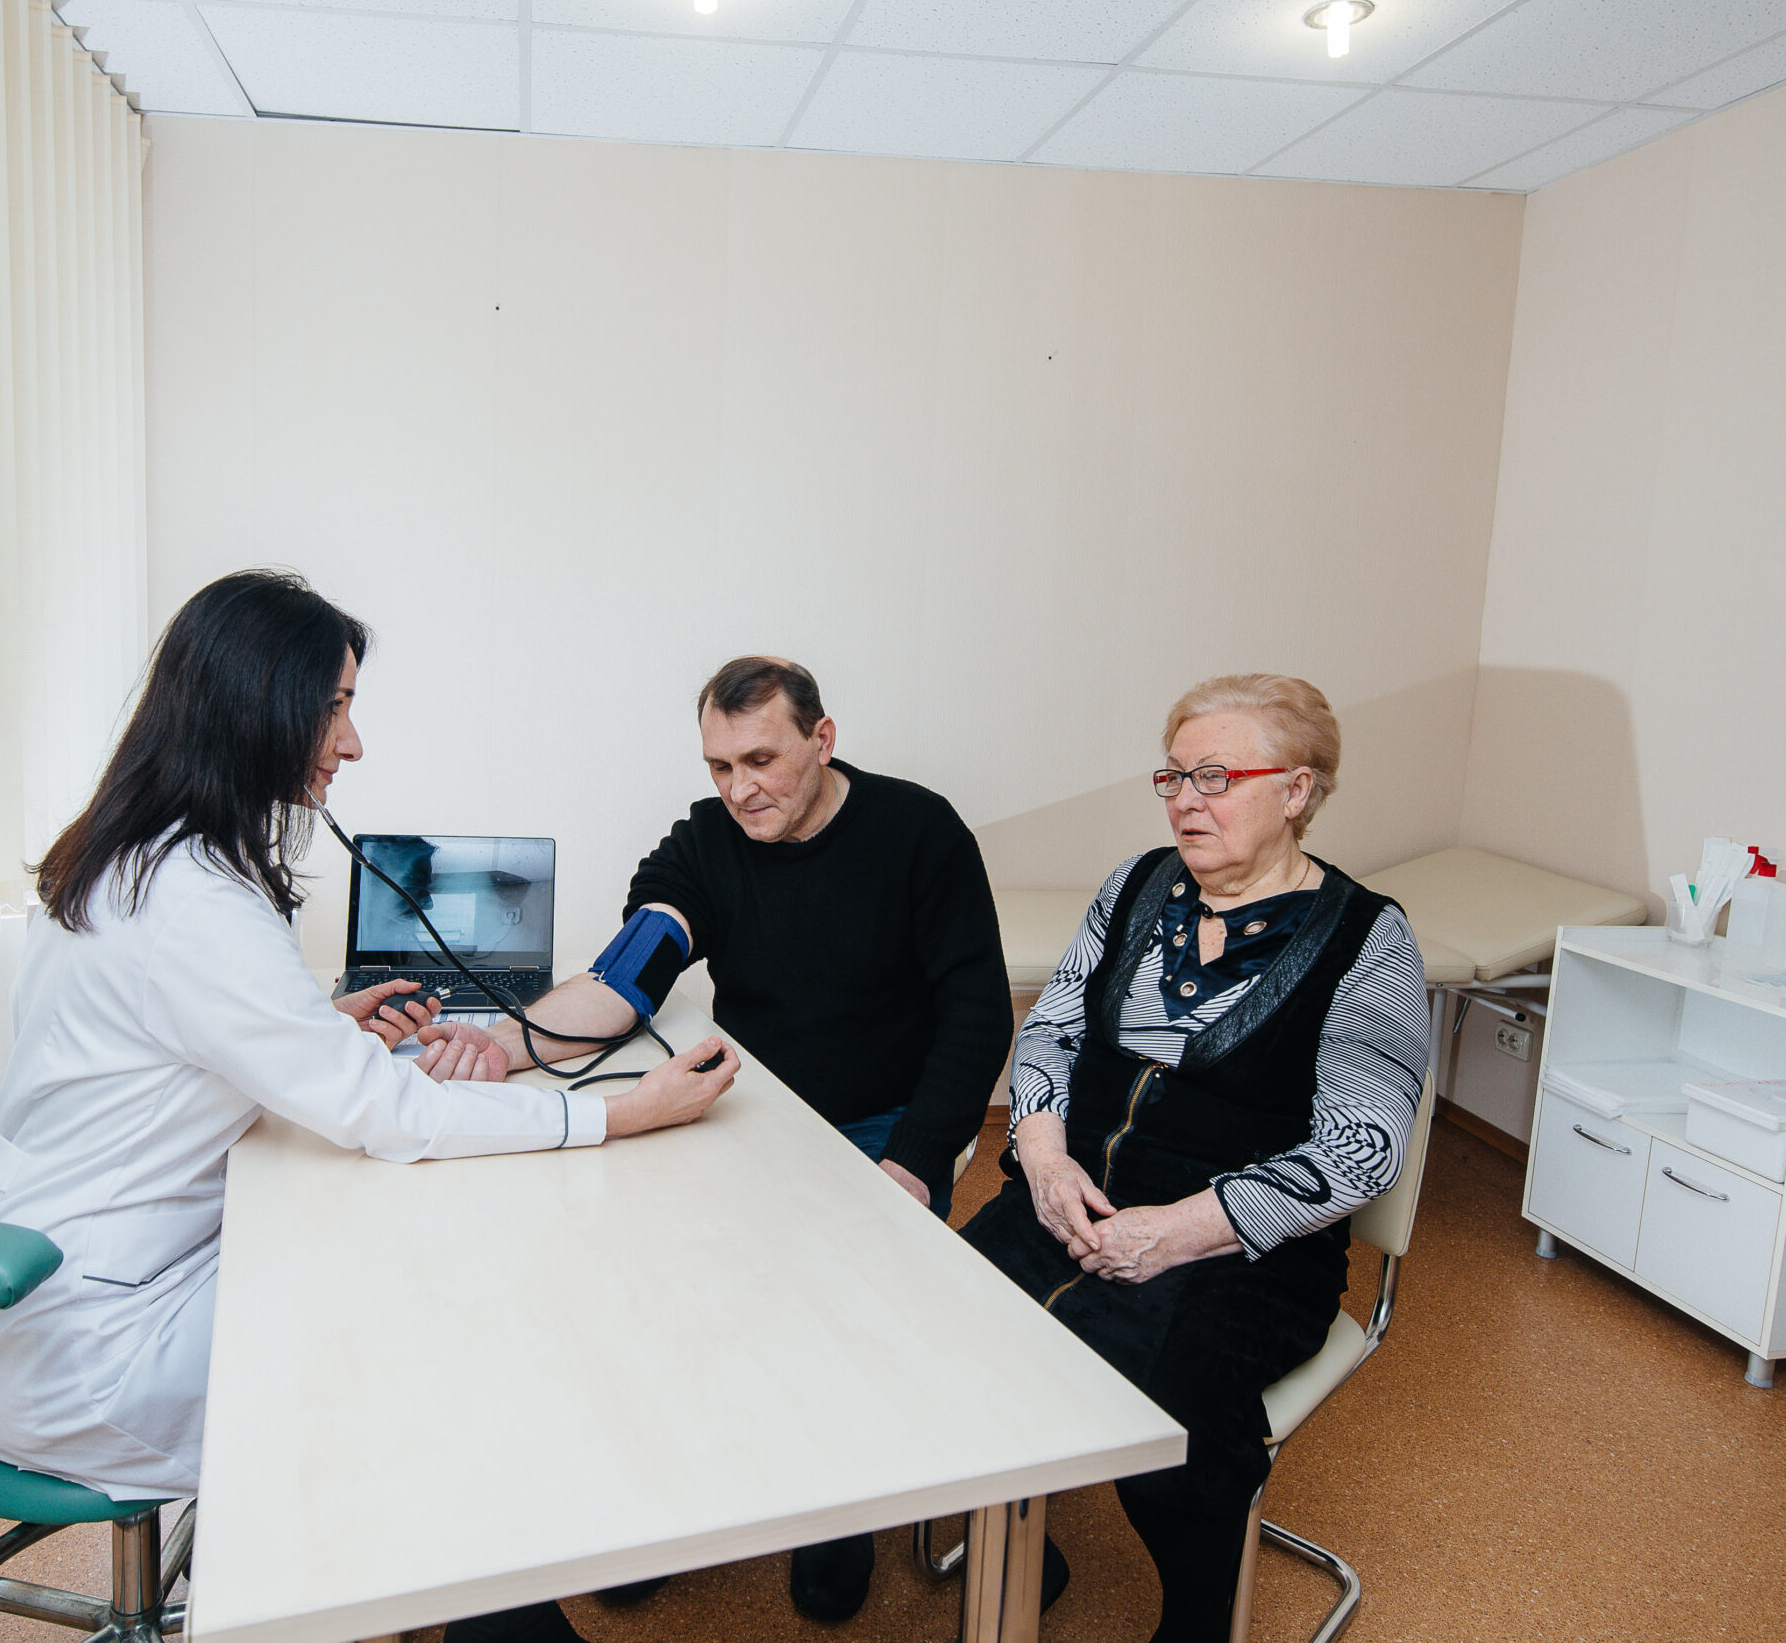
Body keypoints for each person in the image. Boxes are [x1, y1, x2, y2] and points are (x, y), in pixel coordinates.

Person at [0, 570, 738, 1505]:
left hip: (62, 1291)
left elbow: (157, 1048)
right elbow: (389, 1112)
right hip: (95, 1351)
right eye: (334, 708)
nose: (351, 743)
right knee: (422, 1350)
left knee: (382, 1255)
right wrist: (617, 1115)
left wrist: (306, 1027)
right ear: (257, 707)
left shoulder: (132, 853)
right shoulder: (198, 903)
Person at [476, 655, 1014, 1629]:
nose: (738, 788)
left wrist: (918, 1160)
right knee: (655, 1282)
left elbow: (975, 1014)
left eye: (760, 758)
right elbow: (631, 972)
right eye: (719, 764)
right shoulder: (708, 839)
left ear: (823, 738)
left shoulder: (917, 832)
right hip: (749, 1104)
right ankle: (664, 1509)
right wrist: (502, 1042)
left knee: (839, 1315)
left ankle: (835, 1514)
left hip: (881, 1121)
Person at [956, 674, 1427, 1643]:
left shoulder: (1365, 939)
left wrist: (1175, 1231)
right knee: (942, 1324)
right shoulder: (1136, 883)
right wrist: (1041, 1154)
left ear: (1295, 790)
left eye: (1215, 776)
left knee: (1164, 1405)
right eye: (1173, 774)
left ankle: (1200, 1609)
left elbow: (1361, 1146)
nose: (1184, 799)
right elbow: (1050, 1027)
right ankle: (1019, 1537)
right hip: (1071, 1199)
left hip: (1240, 1254)